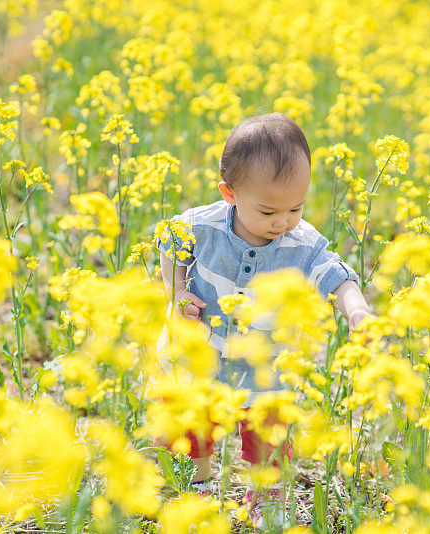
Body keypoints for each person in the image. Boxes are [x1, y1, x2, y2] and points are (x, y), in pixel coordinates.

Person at [154, 112, 372, 526]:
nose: (284, 222)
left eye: (296, 207)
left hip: (267, 364)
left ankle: (266, 497)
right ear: (229, 193)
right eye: (270, 210)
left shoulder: (301, 243)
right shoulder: (202, 225)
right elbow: (171, 244)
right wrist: (177, 290)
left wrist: (356, 308)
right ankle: (196, 487)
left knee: (270, 435)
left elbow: (336, 275)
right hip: (202, 353)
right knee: (193, 425)